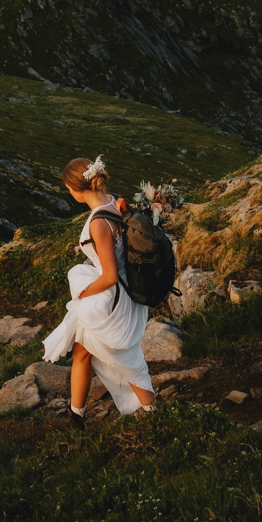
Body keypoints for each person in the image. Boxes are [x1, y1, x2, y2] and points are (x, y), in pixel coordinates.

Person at [41, 155, 157, 428]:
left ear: (77, 190)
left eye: (68, 189)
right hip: (129, 291)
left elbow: (109, 275)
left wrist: (82, 292)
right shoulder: (115, 201)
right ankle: (75, 415)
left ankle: (155, 415)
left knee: (127, 361)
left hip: (112, 299)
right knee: (82, 351)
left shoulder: (97, 222)